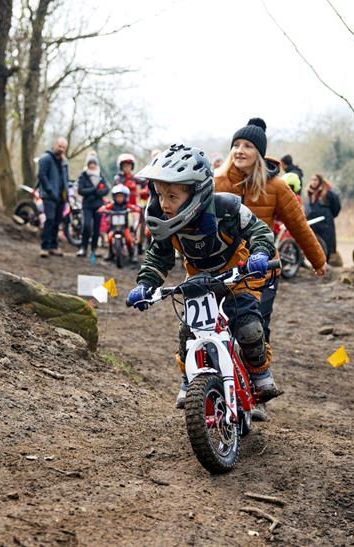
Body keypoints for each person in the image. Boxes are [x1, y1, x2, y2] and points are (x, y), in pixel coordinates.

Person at [126, 144, 279, 411]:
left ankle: (259, 374)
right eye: (160, 194)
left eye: (172, 196)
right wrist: (145, 284)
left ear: (196, 193)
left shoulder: (227, 208)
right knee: (188, 331)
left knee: (247, 325)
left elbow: (259, 231)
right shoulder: (165, 222)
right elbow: (158, 258)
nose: (164, 203)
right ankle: (190, 379)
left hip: (239, 273)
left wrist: (260, 253)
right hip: (199, 279)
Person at [214, 118, 327, 421]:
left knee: (255, 327)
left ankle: (258, 392)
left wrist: (318, 260)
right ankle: (211, 385)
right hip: (223, 268)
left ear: (259, 154)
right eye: (236, 145)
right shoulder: (216, 181)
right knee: (214, 324)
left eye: (248, 146)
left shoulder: (275, 187)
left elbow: (299, 225)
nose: (240, 150)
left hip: (262, 270)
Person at [37, 137, 69, 258]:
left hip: (61, 196)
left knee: (57, 221)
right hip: (49, 195)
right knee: (49, 220)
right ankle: (44, 247)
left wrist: (67, 194)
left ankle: (53, 246)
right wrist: (49, 190)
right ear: (54, 145)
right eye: (59, 146)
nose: (61, 149)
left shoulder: (64, 161)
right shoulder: (46, 158)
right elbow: (42, 175)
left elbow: (66, 178)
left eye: (63, 147)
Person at [114, 153, 148, 260]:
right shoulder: (118, 178)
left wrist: (143, 191)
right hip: (121, 208)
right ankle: (113, 250)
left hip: (133, 207)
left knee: (136, 226)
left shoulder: (136, 178)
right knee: (116, 226)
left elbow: (146, 185)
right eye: (124, 166)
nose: (127, 168)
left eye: (128, 166)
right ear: (121, 167)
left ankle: (136, 249)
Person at [98, 183, 141, 262]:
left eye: (121, 196)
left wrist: (136, 209)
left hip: (124, 227)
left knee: (128, 239)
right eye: (117, 196)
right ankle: (110, 253)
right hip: (113, 227)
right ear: (114, 197)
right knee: (110, 237)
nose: (119, 198)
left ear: (125, 197)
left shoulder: (127, 205)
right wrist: (102, 209)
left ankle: (131, 254)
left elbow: (134, 207)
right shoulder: (112, 205)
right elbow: (103, 208)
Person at [76, 156, 109, 258]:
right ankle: (83, 248)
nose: (92, 165)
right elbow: (80, 190)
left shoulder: (101, 176)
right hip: (87, 206)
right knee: (86, 226)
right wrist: (93, 189)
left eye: (94, 163)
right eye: (90, 163)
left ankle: (94, 249)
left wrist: (98, 192)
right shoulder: (83, 176)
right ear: (87, 164)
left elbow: (106, 189)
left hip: (98, 206)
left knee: (96, 228)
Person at [305, 173, 341, 261]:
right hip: (313, 221)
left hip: (325, 223)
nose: (313, 182)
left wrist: (329, 215)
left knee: (327, 243)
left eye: (315, 180)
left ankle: (327, 262)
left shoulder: (328, 193)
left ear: (320, 181)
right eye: (312, 180)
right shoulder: (310, 193)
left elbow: (336, 206)